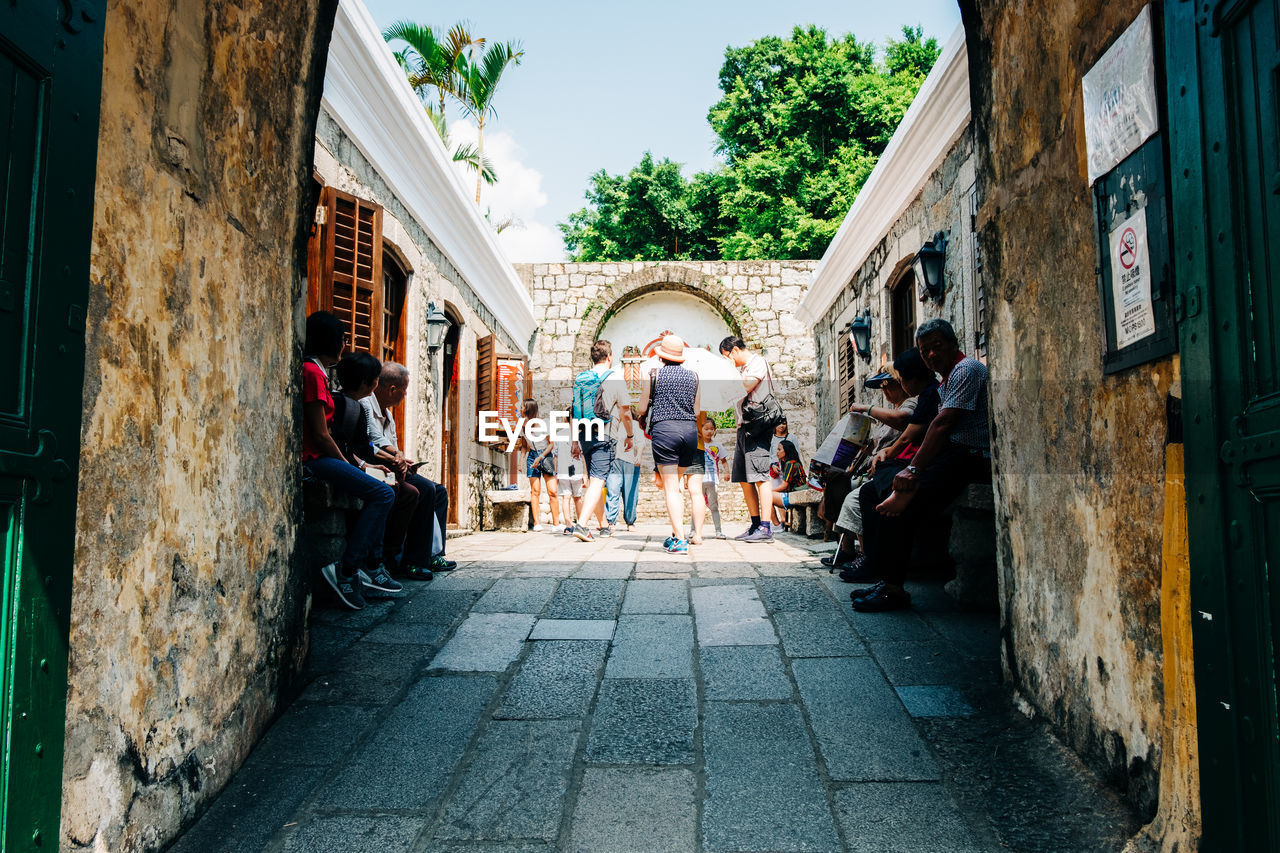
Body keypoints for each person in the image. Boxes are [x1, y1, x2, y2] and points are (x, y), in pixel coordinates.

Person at [851, 319, 991, 612]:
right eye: (924, 350)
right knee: (880, 488)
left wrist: (912, 470)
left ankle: (893, 589)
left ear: (953, 344)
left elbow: (942, 424)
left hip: (970, 456)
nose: (930, 355)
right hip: (951, 455)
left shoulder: (966, 370)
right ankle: (880, 573)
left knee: (898, 503)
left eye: (936, 347)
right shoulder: (948, 378)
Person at [301, 311, 395, 611]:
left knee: (381, 489)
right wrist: (349, 464)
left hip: (325, 456)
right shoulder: (313, 374)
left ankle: (365, 566)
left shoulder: (320, 373)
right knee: (383, 493)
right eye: (342, 338)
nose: (345, 344)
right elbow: (321, 434)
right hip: (315, 459)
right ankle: (348, 570)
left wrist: (359, 466)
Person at [820, 355, 926, 570]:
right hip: (874, 467)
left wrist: (866, 409)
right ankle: (848, 547)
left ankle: (865, 554)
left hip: (893, 467)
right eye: (882, 387)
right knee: (836, 480)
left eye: (890, 385)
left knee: (856, 496)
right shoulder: (891, 408)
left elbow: (901, 424)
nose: (885, 391)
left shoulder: (911, 403)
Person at [362, 361, 457, 579]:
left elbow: (392, 444)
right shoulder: (367, 406)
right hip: (377, 469)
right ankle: (414, 560)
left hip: (393, 467)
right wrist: (397, 457)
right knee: (424, 489)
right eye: (404, 390)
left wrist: (402, 459)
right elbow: (372, 441)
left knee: (440, 491)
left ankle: (434, 553)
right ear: (392, 389)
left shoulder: (388, 413)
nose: (405, 395)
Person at [331, 353, 408, 597]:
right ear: (369, 383)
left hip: (350, 462)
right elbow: (336, 444)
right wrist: (361, 466)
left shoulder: (356, 406)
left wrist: (365, 466)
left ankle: (375, 563)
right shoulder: (346, 404)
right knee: (385, 492)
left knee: (389, 487)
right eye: (376, 378)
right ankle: (356, 565)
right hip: (330, 463)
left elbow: (352, 448)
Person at [636, 334, 703, 552]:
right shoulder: (694, 376)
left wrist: (639, 414)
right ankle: (676, 533)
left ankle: (680, 541)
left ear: (661, 355)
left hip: (665, 431)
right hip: (689, 433)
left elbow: (642, 408)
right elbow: (696, 411)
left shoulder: (652, 374)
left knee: (671, 488)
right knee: (677, 484)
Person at [570, 340, 636, 542]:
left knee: (594, 480)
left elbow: (573, 412)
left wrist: (574, 442)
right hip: (604, 434)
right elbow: (625, 412)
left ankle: (604, 525)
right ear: (609, 357)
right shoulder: (614, 379)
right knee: (599, 480)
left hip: (584, 434)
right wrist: (630, 435)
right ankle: (581, 525)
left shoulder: (582, 379)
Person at [719, 335, 777, 542]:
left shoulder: (757, 363)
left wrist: (729, 372)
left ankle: (766, 527)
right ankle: (754, 525)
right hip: (744, 427)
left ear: (734, 350)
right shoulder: (741, 370)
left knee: (760, 476)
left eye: (728, 357)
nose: (729, 361)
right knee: (744, 478)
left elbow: (745, 387)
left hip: (758, 427)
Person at [514, 399, 561, 532]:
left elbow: (551, 444)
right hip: (532, 456)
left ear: (528, 409)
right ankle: (537, 523)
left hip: (546, 455)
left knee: (553, 491)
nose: (520, 408)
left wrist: (541, 457)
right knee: (535, 491)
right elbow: (524, 446)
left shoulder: (544, 423)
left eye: (522, 407)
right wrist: (520, 461)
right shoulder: (522, 426)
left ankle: (556, 524)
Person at [692, 416, 726, 539]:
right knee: (696, 505)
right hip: (697, 480)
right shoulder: (696, 445)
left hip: (712, 481)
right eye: (706, 428)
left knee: (714, 506)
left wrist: (726, 472)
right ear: (700, 429)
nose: (709, 431)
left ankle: (718, 531)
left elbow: (724, 460)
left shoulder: (717, 446)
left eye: (712, 429)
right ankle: (693, 530)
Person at [769, 439, 808, 529]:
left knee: (766, 496)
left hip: (795, 495)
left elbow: (784, 486)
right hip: (794, 493)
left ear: (786, 451)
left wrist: (769, 490)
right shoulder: (789, 463)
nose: (777, 452)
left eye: (779, 449)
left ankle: (777, 525)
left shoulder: (791, 463)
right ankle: (777, 524)